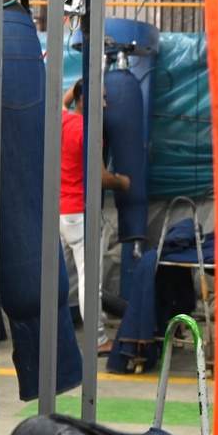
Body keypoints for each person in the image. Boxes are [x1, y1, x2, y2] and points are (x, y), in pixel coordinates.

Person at [61, 78, 131, 355]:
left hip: (60, 214)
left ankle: (54, 334)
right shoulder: (90, 131)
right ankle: (98, 340)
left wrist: (85, 78)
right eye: (99, 97)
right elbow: (101, 178)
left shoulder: (61, 120)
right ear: (83, 100)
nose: (104, 103)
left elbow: (63, 100)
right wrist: (122, 183)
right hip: (81, 214)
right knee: (90, 281)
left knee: (58, 278)